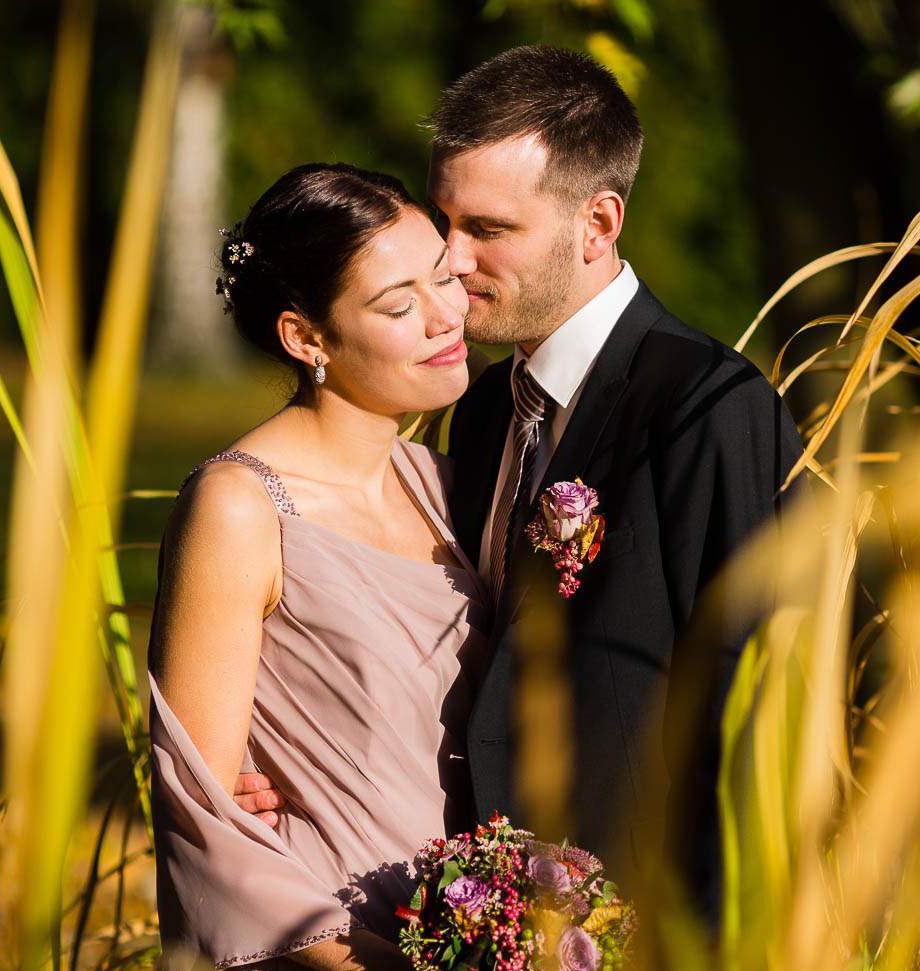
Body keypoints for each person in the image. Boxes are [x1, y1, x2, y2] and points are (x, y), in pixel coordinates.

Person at [236, 46, 805, 908]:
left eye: (490, 231)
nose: (452, 263)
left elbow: (761, 715)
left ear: (599, 224)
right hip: (494, 945)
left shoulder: (711, 407)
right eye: (445, 222)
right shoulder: (490, 408)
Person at [138, 163, 510, 971]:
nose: (448, 317)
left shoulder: (444, 492)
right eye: (400, 303)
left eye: (444, 277)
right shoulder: (240, 507)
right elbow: (201, 820)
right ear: (307, 339)